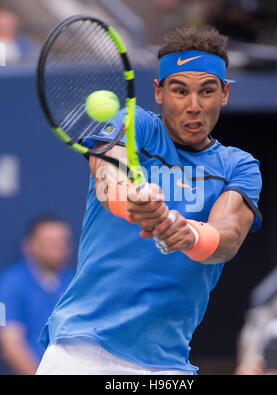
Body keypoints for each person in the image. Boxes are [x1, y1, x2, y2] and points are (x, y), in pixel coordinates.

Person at [36, 27, 262, 375]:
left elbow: (228, 237)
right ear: (158, 91)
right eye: (179, 90)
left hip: (168, 366)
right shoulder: (131, 122)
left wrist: (187, 234)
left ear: (225, 93)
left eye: (207, 91)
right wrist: (133, 204)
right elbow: (107, 176)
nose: (193, 106)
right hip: (83, 350)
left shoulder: (239, 165)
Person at [0, 216, 73, 375]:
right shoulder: (10, 283)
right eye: (49, 242)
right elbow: (10, 344)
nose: (57, 247)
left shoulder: (74, 283)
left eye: (62, 241)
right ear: (29, 245)